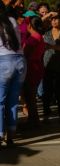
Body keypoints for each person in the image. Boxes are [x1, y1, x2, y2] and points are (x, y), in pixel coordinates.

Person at [0, 2, 26, 148]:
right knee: (13, 101)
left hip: (3, 62)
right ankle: (10, 135)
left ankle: (0, 133)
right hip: (20, 62)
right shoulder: (12, 21)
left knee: (0, 101)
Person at [43, 12, 60, 123]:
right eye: (52, 19)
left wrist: (50, 46)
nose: (54, 21)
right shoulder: (46, 33)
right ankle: (46, 112)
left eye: (56, 19)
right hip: (47, 63)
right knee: (47, 90)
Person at [23, 16, 45, 127]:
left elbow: (24, 52)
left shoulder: (33, 38)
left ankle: (33, 121)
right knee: (31, 96)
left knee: (30, 96)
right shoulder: (39, 36)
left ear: (30, 26)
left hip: (31, 68)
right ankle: (34, 120)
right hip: (37, 66)